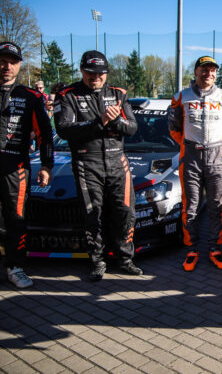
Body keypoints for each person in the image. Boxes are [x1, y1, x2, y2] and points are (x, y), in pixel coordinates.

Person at [54, 50, 142, 281]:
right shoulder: (67, 95)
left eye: (100, 73)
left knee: (125, 211)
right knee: (93, 214)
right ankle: (97, 261)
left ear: (106, 73)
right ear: (82, 71)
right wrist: (99, 121)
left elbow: (132, 128)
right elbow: (63, 130)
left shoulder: (119, 93)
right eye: (90, 73)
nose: (96, 77)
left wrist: (116, 120)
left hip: (117, 160)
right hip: (86, 161)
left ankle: (125, 259)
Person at [168, 56, 222, 271]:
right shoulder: (180, 97)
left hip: (217, 156)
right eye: (204, 69)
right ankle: (192, 249)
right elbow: (174, 129)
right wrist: (189, 146)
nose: (209, 73)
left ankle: (215, 248)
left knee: (217, 204)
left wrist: (219, 147)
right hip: (190, 156)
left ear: (216, 73)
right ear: (196, 71)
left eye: (212, 70)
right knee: (191, 205)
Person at [0, 42, 54, 288]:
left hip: (16, 167)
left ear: (19, 65)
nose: (7, 66)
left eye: (12, 62)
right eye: (2, 61)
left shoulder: (30, 96)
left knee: (17, 219)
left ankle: (15, 267)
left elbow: (45, 133)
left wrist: (46, 165)